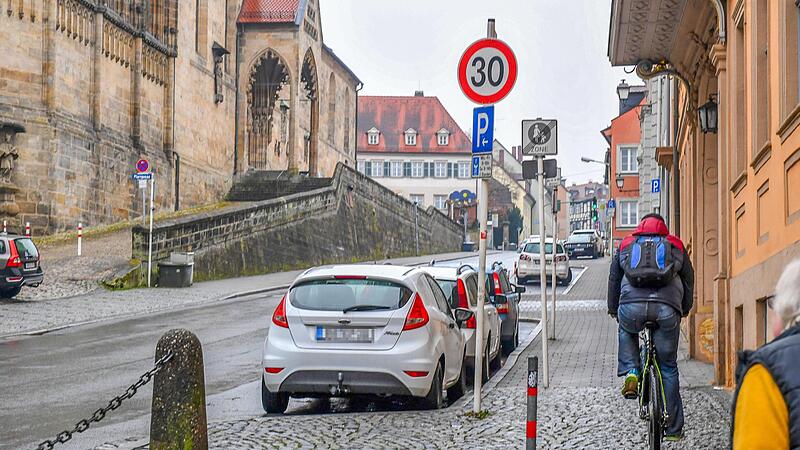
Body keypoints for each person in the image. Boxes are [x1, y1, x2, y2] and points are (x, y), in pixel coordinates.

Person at [607, 213, 694, 441]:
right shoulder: (674, 244)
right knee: (668, 367)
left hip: (631, 307)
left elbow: (614, 278)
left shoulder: (627, 244)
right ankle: (674, 429)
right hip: (667, 308)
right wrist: (684, 309)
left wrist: (613, 308)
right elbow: (688, 279)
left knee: (626, 328)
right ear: (663, 228)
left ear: (640, 227)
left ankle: (632, 371)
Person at [732, 259, 800, 449]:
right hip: (669, 312)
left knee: (668, 366)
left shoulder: (766, 371)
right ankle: (673, 426)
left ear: (786, 308)